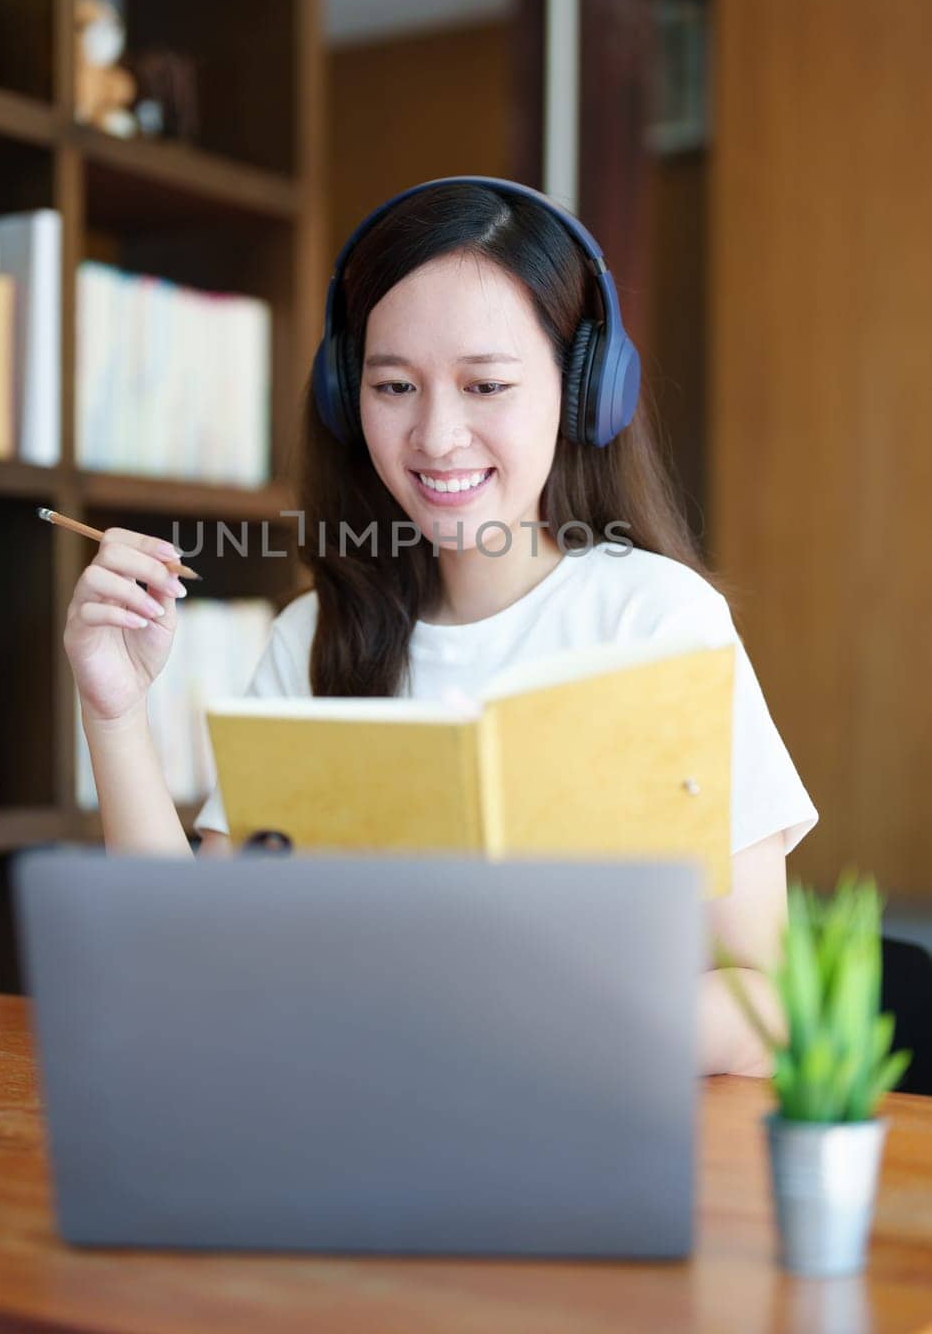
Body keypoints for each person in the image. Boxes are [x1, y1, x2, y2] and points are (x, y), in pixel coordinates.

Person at [63, 176, 818, 1078]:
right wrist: (114, 711)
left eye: (486, 384)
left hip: (584, 1123)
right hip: (353, 1127)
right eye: (392, 386)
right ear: (348, 398)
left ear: (584, 392)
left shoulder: (656, 620)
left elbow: (765, 999)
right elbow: (188, 970)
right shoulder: (313, 636)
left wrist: (517, 1036)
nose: (436, 434)